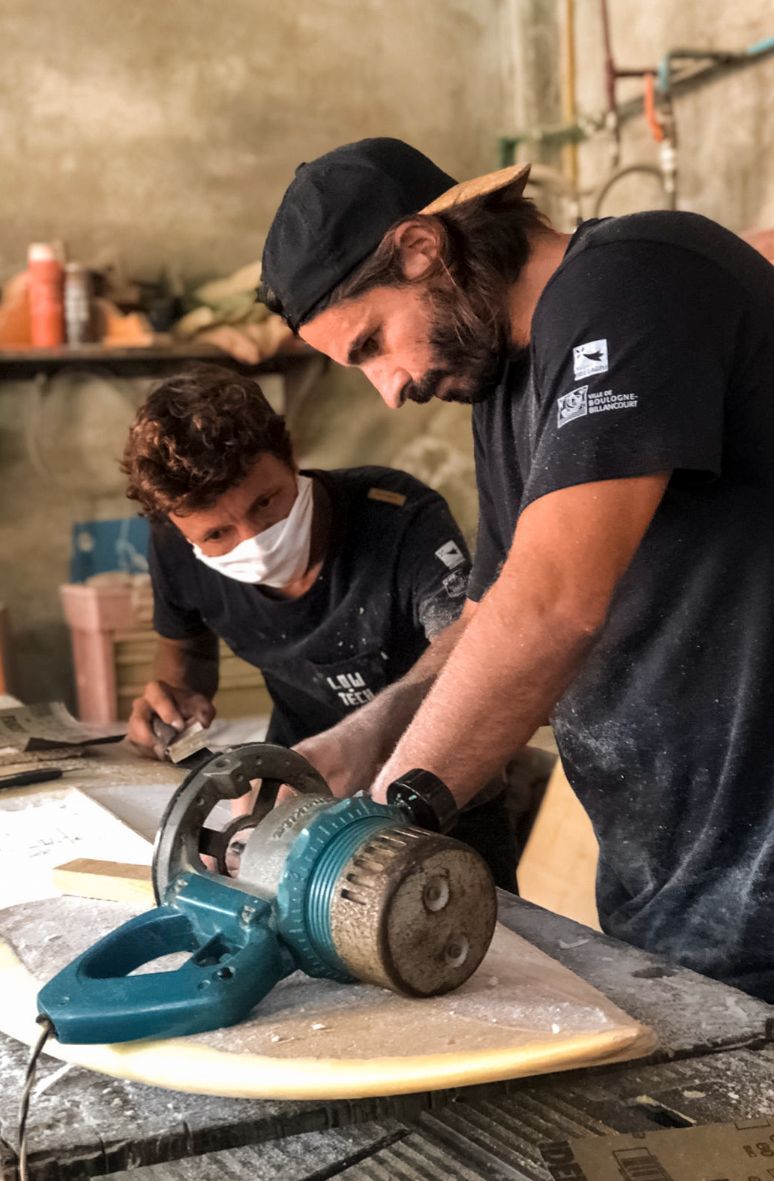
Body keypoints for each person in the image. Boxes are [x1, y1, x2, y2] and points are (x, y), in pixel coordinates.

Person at [258, 137, 774, 1001]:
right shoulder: (503, 384)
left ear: (423, 250)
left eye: (373, 343)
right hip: (679, 881)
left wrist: (373, 831)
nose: (390, 388)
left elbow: (553, 607)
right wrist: (361, 741)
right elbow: (491, 611)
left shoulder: (637, 280)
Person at [121, 361, 520, 889]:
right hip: (289, 799)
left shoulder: (396, 517)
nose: (254, 539)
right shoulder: (175, 549)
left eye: (266, 502)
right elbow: (187, 654)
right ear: (175, 526)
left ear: (291, 456)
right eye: (217, 534)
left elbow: (470, 644)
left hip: (437, 791)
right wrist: (175, 704)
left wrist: (362, 738)